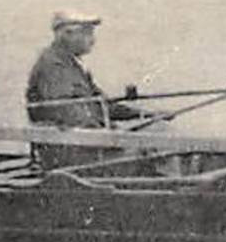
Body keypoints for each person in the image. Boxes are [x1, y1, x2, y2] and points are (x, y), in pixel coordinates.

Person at [24, 10, 141, 170]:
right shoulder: (53, 66)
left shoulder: (72, 65)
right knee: (154, 151)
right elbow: (67, 113)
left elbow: (101, 104)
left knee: (157, 136)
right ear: (66, 34)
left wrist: (141, 114)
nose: (93, 40)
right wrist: (111, 133)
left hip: (84, 144)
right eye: (87, 33)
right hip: (71, 152)